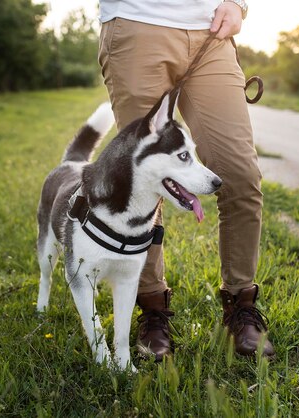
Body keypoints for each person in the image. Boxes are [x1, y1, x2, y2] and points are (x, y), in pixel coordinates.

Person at [97, 0, 275, 360]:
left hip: (212, 33)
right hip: (136, 23)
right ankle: (152, 309)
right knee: (144, 179)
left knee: (239, 173)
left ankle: (241, 304)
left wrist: (238, 4)